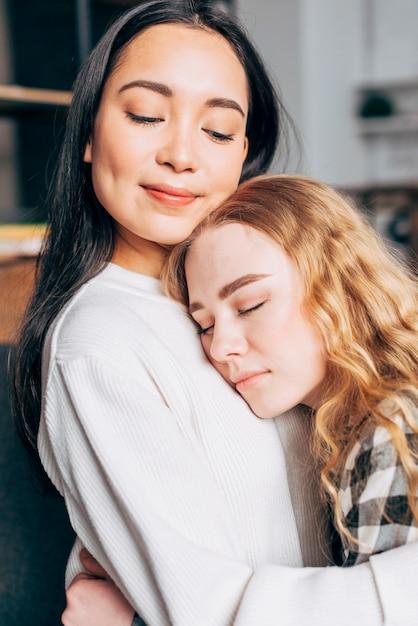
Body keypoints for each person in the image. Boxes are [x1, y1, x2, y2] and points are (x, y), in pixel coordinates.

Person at [9, 1, 418, 625]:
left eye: (219, 130)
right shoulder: (99, 340)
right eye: (146, 115)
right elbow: (208, 609)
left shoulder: (269, 281)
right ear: (88, 134)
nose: (181, 154)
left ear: (243, 154)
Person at [164, 172, 418, 567]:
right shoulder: (342, 423)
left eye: (250, 305)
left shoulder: (393, 432)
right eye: (205, 325)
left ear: (338, 284)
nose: (221, 346)